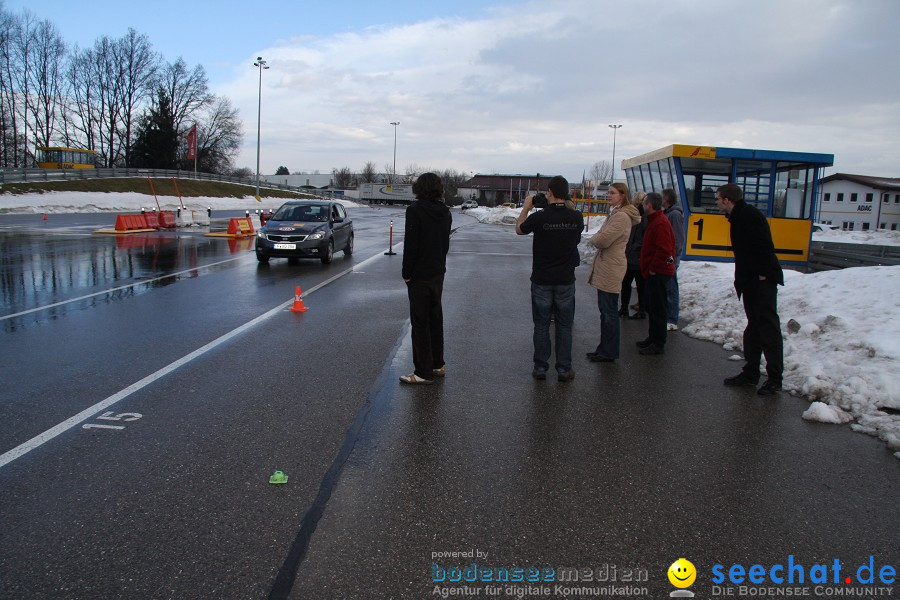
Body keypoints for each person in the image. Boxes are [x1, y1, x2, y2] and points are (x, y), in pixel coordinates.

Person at [715, 183, 784, 396]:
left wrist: (763, 273)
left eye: (718, 199)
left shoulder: (749, 215)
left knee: (768, 328)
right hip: (750, 280)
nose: (716, 202)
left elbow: (764, 245)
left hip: (761, 281)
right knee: (753, 328)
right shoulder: (738, 216)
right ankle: (751, 372)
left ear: (727, 199)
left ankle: (774, 378)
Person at [516, 175, 584, 381]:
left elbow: (519, 229)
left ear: (551, 192)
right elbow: (577, 236)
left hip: (542, 278)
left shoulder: (540, 217)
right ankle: (564, 369)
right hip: (565, 279)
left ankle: (540, 367)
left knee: (542, 325)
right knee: (564, 326)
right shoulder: (577, 217)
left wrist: (527, 207)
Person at [399, 172, 452, 385]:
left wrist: (407, 272)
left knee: (420, 322)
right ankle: (437, 364)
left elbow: (411, 244)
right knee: (435, 318)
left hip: (420, 274)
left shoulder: (415, 211)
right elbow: (445, 244)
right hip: (438, 271)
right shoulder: (445, 212)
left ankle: (422, 371)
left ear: (419, 188)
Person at [586, 183, 640, 362]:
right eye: (608, 192)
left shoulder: (621, 217)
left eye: (612, 193)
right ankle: (604, 348)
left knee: (609, 312)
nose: (608, 195)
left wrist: (595, 238)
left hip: (611, 267)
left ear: (622, 195)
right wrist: (598, 237)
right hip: (609, 265)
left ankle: (609, 352)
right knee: (605, 311)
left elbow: (603, 239)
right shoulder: (616, 214)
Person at [636, 192, 675, 355]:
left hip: (658, 273)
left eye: (644, 203)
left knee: (658, 308)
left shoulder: (660, 223)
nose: (643, 206)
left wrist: (653, 268)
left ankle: (658, 343)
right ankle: (653, 337)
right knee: (652, 307)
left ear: (649, 205)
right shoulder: (655, 221)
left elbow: (665, 250)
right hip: (653, 272)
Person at [621, 191, 647, 319]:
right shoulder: (642, 216)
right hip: (636, 256)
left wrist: (631, 248)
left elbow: (640, 237)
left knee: (627, 284)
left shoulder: (638, 217)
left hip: (635, 256)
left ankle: (626, 308)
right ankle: (640, 308)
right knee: (639, 285)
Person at [662, 188, 685, 331]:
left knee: (671, 288)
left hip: (670, 259)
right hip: (667, 258)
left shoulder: (674, 214)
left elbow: (677, 239)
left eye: (662, 197)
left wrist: (671, 260)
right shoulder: (668, 213)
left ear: (667, 199)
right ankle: (667, 316)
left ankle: (672, 319)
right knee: (667, 287)